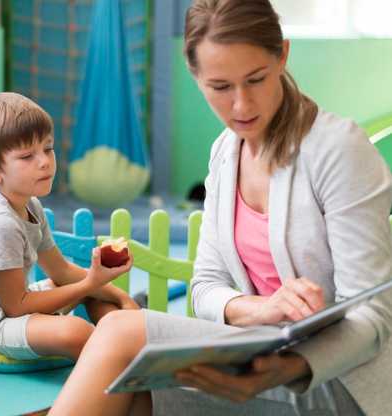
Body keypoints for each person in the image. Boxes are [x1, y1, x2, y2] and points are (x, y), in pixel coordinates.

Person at [50, 0, 392, 415]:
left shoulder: (338, 149)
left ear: (282, 55)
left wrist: (286, 368)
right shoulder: (225, 153)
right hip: (258, 357)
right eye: (221, 87)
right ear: (195, 76)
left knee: (121, 333)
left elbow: (372, 315)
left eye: (256, 79)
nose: (242, 105)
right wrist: (261, 309)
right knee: (129, 390)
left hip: (339, 381)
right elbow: (206, 286)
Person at [0, 92, 138, 362]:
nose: (45, 162)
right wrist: (89, 283)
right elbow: (16, 306)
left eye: (48, 148)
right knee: (76, 331)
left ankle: (122, 334)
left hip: (14, 306)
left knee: (92, 292)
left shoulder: (30, 204)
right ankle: (117, 353)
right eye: (26, 156)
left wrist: (120, 297)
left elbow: (62, 271)